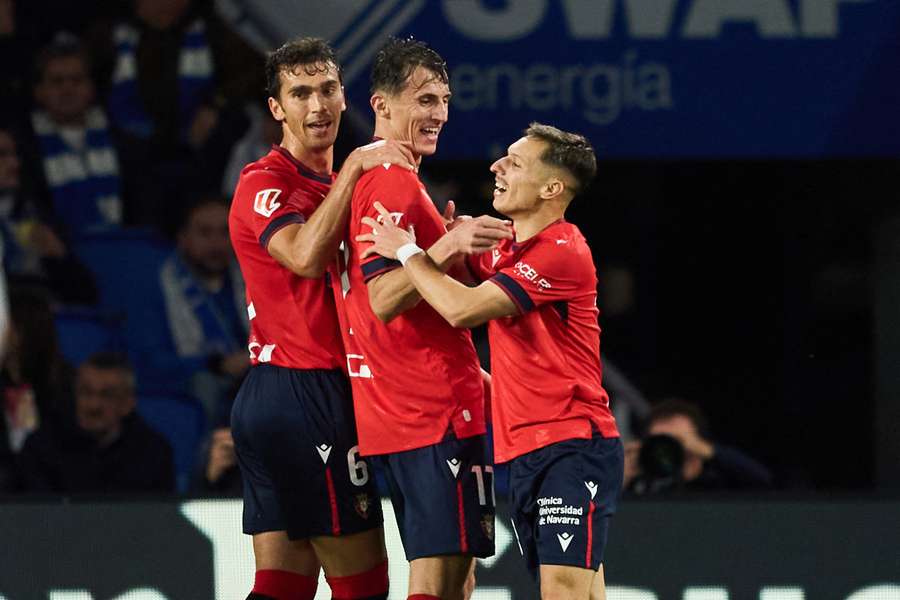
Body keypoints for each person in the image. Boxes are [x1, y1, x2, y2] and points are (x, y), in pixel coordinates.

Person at [356, 123, 623, 599]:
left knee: (562, 588)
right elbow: (460, 271)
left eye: (515, 163)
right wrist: (450, 239)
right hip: (522, 450)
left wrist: (407, 249)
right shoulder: (509, 248)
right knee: (582, 589)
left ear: (552, 188)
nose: (496, 166)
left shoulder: (562, 250)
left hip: (572, 442)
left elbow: (462, 308)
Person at [227, 37, 417, 600]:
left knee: (282, 586)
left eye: (327, 89)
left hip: (280, 399)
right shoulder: (264, 181)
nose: (317, 106)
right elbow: (306, 256)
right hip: (304, 393)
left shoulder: (337, 188)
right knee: (363, 587)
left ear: (344, 96)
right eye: (300, 93)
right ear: (276, 108)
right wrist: (359, 162)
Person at [335, 37, 515, 600]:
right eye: (423, 100)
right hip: (432, 408)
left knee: (455, 576)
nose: (437, 113)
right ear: (381, 105)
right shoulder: (390, 181)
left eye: (443, 99)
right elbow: (384, 298)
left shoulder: (397, 183)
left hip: (412, 409)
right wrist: (442, 247)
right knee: (437, 581)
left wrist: (448, 244)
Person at [131, 195, 248, 423]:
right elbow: (151, 364)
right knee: (205, 385)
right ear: (182, 238)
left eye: (225, 232)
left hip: (252, 379)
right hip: (192, 385)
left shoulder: (249, 279)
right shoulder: (159, 287)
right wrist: (215, 364)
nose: (217, 244)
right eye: (205, 233)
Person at [17, 351, 174, 493]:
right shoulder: (42, 446)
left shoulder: (152, 453)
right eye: (86, 392)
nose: (94, 406)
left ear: (128, 403)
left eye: (107, 395)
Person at [29, 36, 123, 238]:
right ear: (39, 91)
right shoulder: (23, 148)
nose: (67, 89)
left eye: (77, 80)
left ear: (91, 88)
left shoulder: (125, 143)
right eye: (57, 81)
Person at [624, 398, 773, 494]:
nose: (668, 450)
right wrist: (619, 476)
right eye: (660, 442)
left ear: (698, 442)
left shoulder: (722, 480)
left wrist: (708, 452)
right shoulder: (643, 486)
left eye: (678, 441)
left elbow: (763, 481)